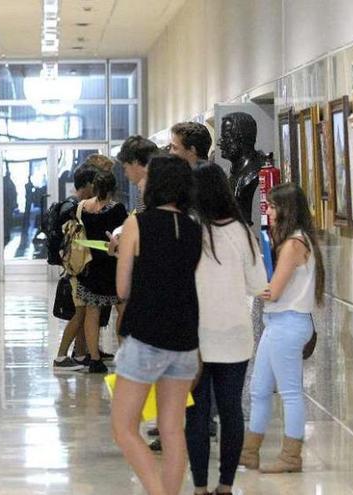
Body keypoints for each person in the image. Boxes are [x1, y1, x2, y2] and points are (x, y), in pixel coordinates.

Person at [111, 154, 201, 495]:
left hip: (147, 335)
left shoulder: (139, 223)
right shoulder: (194, 228)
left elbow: (122, 288)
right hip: (185, 337)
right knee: (172, 428)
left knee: (124, 427)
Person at [187, 165, 267, 495]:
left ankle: (200, 487)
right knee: (231, 410)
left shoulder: (192, 232)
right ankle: (226, 485)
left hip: (197, 340)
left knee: (197, 414)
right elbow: (259, 284)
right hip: (236, 337)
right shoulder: (243, 233)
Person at [240, 182, 325, 474]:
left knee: (289, 392)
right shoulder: (296, 241)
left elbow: (273, 291)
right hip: (278, 323)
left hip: (288, 323)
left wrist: (246, 284)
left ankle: (291, 456)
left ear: (287, 209)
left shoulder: (294, 245)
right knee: (259, 388)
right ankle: (250, 450)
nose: (269, 211)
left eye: (274, 206)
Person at [76, 170, 128, 373]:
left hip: (91, 267)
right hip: (114, 267)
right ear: (114, 188)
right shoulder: (118, 209)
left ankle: (94, 359)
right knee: (121, 311)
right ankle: (125, 356)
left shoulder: (83, 207)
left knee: (92, 312)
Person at [52, 164, 97, 371]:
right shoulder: (74, 208)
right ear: (87, 185)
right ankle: (61, 357)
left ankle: (80, 354)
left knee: (83, 311)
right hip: (76, 268)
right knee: (79, 313)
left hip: (75, 267)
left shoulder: (71, 205)